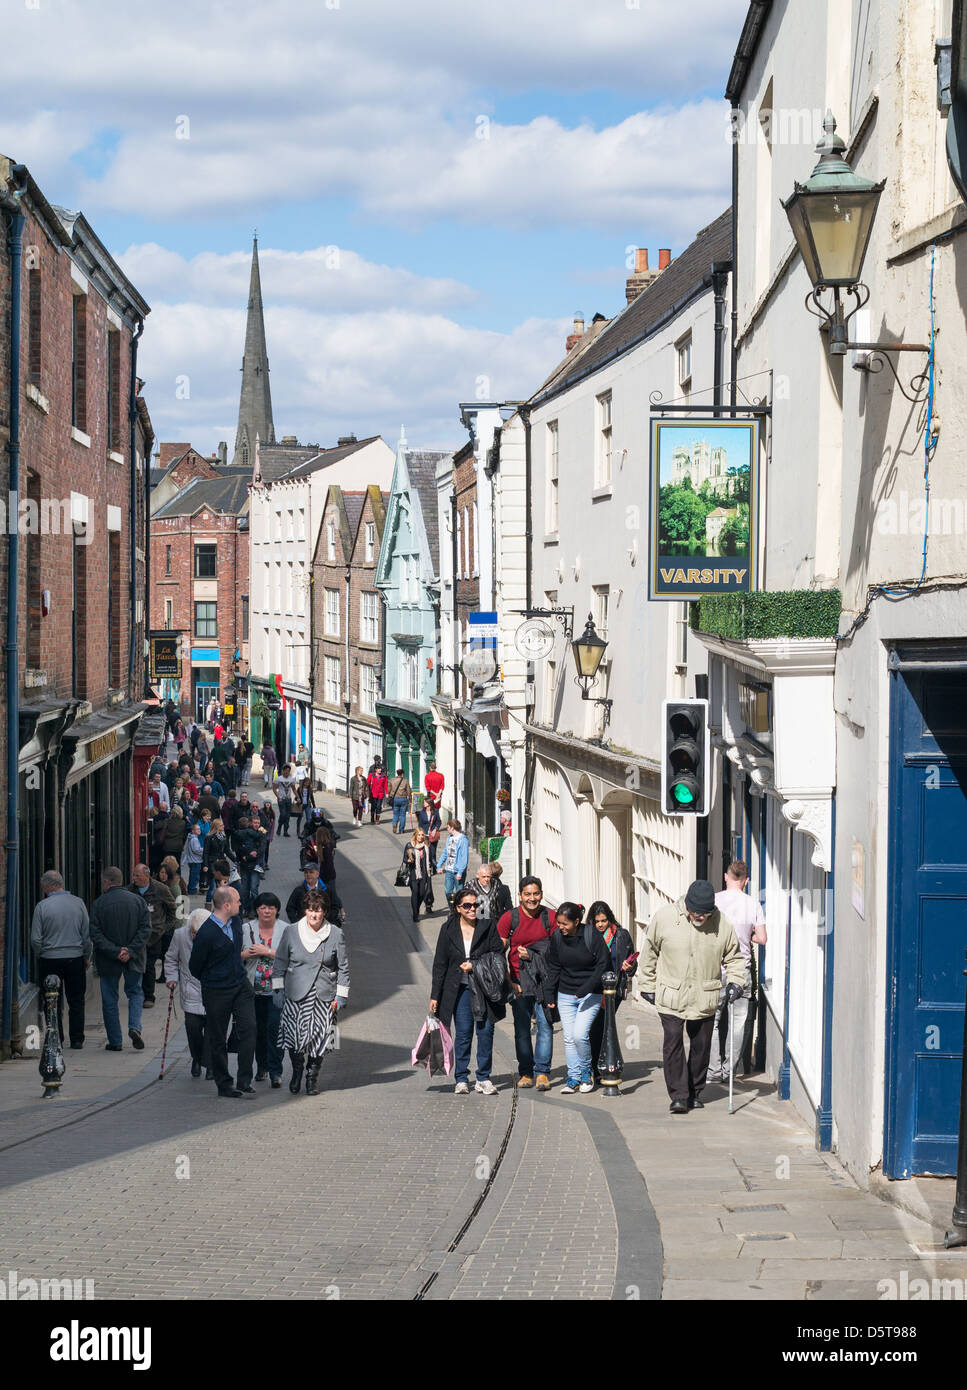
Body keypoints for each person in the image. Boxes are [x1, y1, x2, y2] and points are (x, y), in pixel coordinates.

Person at [640, 878, 746, 1114]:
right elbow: (650, 953)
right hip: (671, 994)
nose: (699, 917)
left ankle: (695, 1091)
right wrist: (646, 983)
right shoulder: (665, 918)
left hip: (704, 995)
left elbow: (735, 958)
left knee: (701, 1046)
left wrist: (736, 982)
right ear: (686, 905)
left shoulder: (722, 924)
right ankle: (678, 1095)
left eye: (704, 914)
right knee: (673, 1042)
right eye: (695, 912)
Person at [430, 885, 506, 1095]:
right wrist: (435, 995)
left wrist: (475, 965)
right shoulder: (448, 929)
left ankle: (483, 1077)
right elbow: (440, 964)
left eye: (476, 905)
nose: (473, 909)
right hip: (460, 990)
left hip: (483, 987)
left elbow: (498, 954)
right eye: (468, 905)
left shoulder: (487, 926)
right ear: (458, 908)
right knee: (463, 1033)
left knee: (485, 1031)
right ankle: (461, 1078)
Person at [273, 889, 349, 1096]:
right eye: (310, 910)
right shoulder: (291, 931)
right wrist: (277, 990)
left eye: (318, 911)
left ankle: (311, 1077)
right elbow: (280, 961)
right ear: (305, 910)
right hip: (296, 993)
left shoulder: (335, 933)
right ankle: (297, 1070)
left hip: (324, 995)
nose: (314, 915)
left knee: (322, 1039)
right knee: (293, 1037)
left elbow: (343, 966)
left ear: (325, 912)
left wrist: (341, 996)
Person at [188, 884, 257, 1098]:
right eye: (237, 901)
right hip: (217, 990)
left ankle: (244, 1080)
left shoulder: (236, 921)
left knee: (249, 1027)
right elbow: (195, 966)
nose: (240, 904)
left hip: (240, 984)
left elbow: (235, 952)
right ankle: (224, 1084)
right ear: (226, 905)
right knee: (217, 1037)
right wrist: (213, 980)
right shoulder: (206, 933)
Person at [707, 861, 768, 1083]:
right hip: (742, 969)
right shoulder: (753, 904)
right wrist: (746, 936)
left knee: (712, 1021)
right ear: (746, 881)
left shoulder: (714, 900)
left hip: (717, 968)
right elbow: (762, 938)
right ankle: (729, 1071)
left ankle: (713, 1071)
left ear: (726, 877)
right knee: (738, 1022)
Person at [497, 877, 557, 1090]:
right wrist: (510, 982)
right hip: (519, 984)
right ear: (520, 895)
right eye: (528, 894)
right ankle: (526, 1072)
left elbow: (557, 953)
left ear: (541, 894)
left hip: (543, 983)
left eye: (536, 894)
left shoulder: (551, 918)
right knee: (522, 1030)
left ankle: (542, 1072)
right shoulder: (509, 919)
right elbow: (498, 954)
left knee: (545, 1027)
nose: (532, 899)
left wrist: (532, 955)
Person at [544, 901, 611, 1094]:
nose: (561, 927)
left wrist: (586, 988)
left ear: (577, 921)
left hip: (590, 994)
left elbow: (603, 964)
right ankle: (573, 1077)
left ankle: (586, 1072)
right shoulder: (557, 938)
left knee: (579, 1035)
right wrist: (549, 993)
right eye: (559, 923)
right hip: (565, 994)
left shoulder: (591, 935)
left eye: (565, 923)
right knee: (568, 1038)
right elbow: (554, 966)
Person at [89, 866, 151, 1051]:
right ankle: (134, 1027)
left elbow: (95, 933)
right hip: (134, 957)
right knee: (136, 993)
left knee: (109, 999)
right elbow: (145, 929)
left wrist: (115, 951)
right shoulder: (138, 901)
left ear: (107, 882)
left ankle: (115, 1041)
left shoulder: (99, 904)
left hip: (108, 959)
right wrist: (130, 951)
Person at [30, 870, 91, 1049]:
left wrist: (41, 954)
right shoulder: (78, 903)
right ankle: (77, 1038)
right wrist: (87, 956)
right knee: (76, 999)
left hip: (50, 959)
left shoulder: (42, 906)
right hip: (75, 958)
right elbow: (87, 936)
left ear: (48, 886)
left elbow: (35, 939)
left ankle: (56, 1037)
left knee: (51, 1000)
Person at [585, 901, 638, 1082]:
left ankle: (601, 1066)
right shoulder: (587, 936)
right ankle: (596, 1066)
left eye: (604, 920)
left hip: (613, 990)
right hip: (593, 988)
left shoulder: (621, 935)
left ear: (610, 919)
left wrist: (629, 966)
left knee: (603, 1026)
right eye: (597, 921)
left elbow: (632, 963)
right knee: (594, 1027)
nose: (600, 925)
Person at [241, 892, 289, 1087]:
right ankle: (261, 1067)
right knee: (257, 1031)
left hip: (277, 990)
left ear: (277, 910)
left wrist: (267, 952)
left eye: (271, 907)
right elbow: (236, 955)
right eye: (262, 907)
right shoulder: (246, 928)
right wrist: (248, 953)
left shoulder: (287, 930)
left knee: (275, 1029)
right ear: (257, 910)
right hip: (252, 989)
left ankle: (275, 1071)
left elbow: (291, 957)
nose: (267, 911)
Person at [164, 907, 212, 1079]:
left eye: (198, 933)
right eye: (193, 932)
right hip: (190, 989)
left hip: (213, 991)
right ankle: (197, 1058)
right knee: (193, 1029)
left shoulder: (216, 935)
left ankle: (210, 1064)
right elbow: (171, 958)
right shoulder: (180, 935)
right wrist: (171, 977)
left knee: (212, 1031)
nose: (195, 936)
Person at [129, 863, 176, 1009]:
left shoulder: (160, 889)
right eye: (134, 875)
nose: (134, 878)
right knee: (135, 966)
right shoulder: (130, 890)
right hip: (135, 936)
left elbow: (172, 909)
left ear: (146, 876)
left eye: (137, 875)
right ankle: (136, 993)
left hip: (154, 936)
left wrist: (163, 928)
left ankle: (149, 996)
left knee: (149, 965)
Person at [230, 815, 263, 916]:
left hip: (255, 865)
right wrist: (245, 855)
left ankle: (253, 909)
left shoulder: (261, 834)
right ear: (250, 823)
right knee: (244, 889)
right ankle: (246, 908)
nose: (256, 825)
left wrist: (251, 855)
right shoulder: (245, 834)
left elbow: (262, 849)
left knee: (253, 889)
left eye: (258, 823)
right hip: (245, 865)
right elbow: (238, 847)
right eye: (254, 823)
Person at [404, 829, 434, 923]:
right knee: (415, 893)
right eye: (419, 835)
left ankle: (416, 908)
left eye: (422, 835)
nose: (421, 837)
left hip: (424, 872)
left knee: (422, 893)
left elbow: (431, 858)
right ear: (415, 835)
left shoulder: (426, 845)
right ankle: (415, 914)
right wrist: (408, 861)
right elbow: (404, 859)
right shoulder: (409, 845)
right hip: (414, 872)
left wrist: (434, 866)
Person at [439, 820, 469, 902]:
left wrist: (460, 872)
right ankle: (452, 909)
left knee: (459, 893)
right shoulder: (449, 838)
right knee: (448, 892)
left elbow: (464, 858)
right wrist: (439, 865)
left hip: (458, 871)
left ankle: (458, 911)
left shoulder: (463, 840)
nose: (447, 829)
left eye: (448, 827)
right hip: (449, 870)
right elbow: (445, 852)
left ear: (452, 828)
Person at [416, 798, 442, 872]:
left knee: (433, 853)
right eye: (424, 802)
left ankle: (435, 868)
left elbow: (439, 822)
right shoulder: (422, 813)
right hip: (425, 836)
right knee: (426, 853)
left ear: (429, 804)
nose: (424, 803)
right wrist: (419, 834)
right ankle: (428, 868)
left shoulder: (435, 812)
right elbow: (420, 825)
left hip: (433, 836)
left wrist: (435, 829)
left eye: (425, 802)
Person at [182, 822, 205, 895]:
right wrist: (204, 850)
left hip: (193, 860)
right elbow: (196, 850)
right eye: (197, 829)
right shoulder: (194, 839)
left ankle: (191, 888)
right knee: (195, 876)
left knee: (193, 875)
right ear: (193, 831)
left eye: (199, 829)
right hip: (195, 861)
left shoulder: (192, 838)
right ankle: (192, 889)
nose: (199, 830)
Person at [386, 768, 411, 833]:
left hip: (395, 798)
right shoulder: (405, 781)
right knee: (403, 815)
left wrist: (389, 795)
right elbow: (408, 791)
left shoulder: (392, 780)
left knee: (395, 814)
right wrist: (410, 799)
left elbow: (388, 790)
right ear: (402, 774)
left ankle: (394, 823)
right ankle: (401, 830)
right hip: (403, 799)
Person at [275, 764, 296, 836]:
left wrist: (298, 797)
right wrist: (278, 797)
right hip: (281, 799)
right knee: (283, 814)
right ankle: (279, 826)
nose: (287, 773)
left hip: (288, 799)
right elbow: (274, 788)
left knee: (287, 816)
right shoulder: (279, 779)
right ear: (283, 771)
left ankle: (285, 831)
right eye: (285, 771)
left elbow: (293, 789)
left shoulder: (291, 779)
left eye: (288, 771)